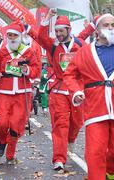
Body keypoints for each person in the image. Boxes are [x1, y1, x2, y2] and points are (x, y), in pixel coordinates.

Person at [63, 13, 114, 180]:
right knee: (94, 153)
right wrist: (77, 92)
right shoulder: (85, 52)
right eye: (106, 25)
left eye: (113, 25)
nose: (110, 28)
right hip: (95, 109)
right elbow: (70, 75)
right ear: (97, 30)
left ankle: (109, 172)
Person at [23, 10, 89, 172]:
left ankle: (71, 140)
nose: (58, 34)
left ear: (69, 30)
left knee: (76, 122)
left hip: (77, 90)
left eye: (61, 31)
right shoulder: (52, 45)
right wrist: (46, 19)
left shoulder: (80, 44)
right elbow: (41, 36)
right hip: (58, 89)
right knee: (60, 124)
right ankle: (59, 159)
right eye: (57, 31)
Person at [0, 21, 39, 164]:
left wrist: (28, 70)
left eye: (14, 35)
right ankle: (2, 141)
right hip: (4, 91)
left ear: (19, 36)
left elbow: (36, 69)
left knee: (15, 124)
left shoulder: (28, 52)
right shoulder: (2, 51)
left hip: (22, 92)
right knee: (2, 124)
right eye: (9, 35)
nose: (11, 38)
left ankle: (10, 155)